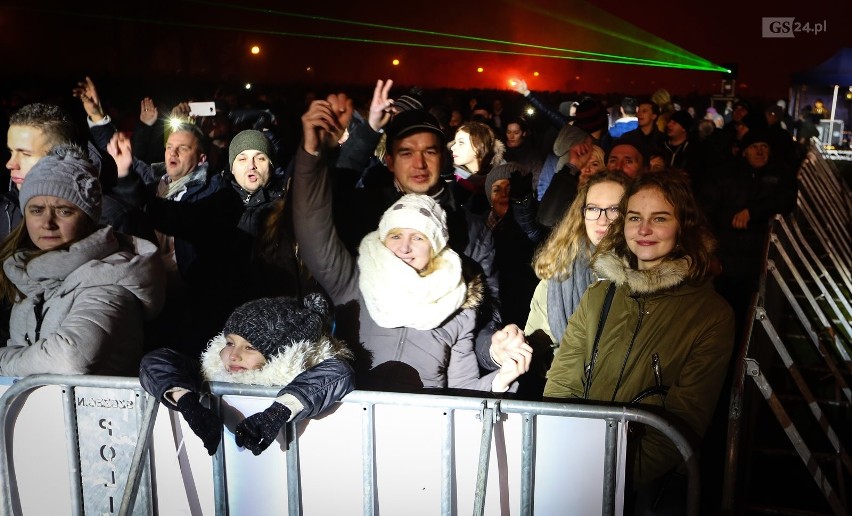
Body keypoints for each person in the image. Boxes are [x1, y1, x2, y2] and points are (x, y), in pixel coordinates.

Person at [294, 93, 532, 393]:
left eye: (429, 152)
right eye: (406, 152)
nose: (419, 163)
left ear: (443, 156)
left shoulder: (470, 230)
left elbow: (483, 319)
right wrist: (320, 149)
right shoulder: (363, 211)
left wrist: (495, 351)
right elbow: (313, 215)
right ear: (390, 160)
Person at [544, 170, 735, 513]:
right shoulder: (599, 295)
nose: (644, 229)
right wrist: (569, 459)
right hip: (575, 471)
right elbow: (562, 380)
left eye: (659, 218)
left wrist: (608, 480)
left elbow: (683, 420)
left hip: (643, 489)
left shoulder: (711, 315)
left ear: (683, 226)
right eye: (634, 218)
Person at [108, 129, 313, 355]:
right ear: (232, 168)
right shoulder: (221, 203)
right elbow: (173, 216)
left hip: (274, 326)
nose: (251, 166)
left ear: (271, 166)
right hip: (217, 327)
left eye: (260, 158)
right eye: (242, 159)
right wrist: (127, 178)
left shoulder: (288, 210)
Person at [0, 144, 165, 376]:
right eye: (36, 210)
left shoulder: (110, 278)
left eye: (64, 211)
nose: (47, 222)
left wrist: (3, 362)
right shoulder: (30, 275)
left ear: (88, 217)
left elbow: (70, 359)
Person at [139, 294, 355, 456]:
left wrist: (276, 413)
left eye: (250, 347)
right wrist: (186, 401)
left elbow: (338, 372)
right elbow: (155, 361)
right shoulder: (212, 373)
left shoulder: (311, 371)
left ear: (282, 354)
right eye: (231, 343)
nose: (234, 355)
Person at [525, 170, 631, 352]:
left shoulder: (646, 270)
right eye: (593, 208)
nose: (602, 220)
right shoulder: (560, 268)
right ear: (582, 213)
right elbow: (538, 338)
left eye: (614, 209)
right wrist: (518, 345)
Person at [449, 121, 505, 209]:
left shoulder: (505, 178)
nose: (453, 147)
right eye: (455, 142)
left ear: (479, 147)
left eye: (461, 143)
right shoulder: (451, 184)